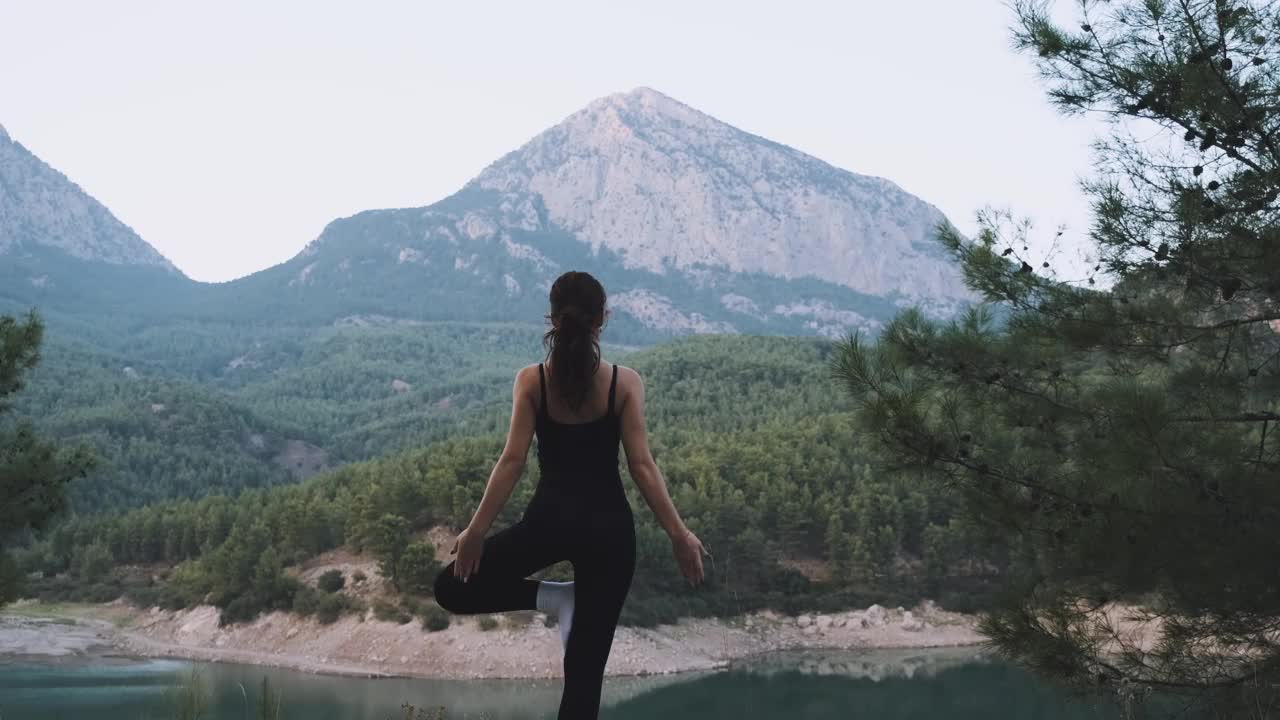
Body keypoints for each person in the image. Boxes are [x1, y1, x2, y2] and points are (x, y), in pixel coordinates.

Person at [433, 270, 709, 720]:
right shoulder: (625, 382)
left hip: (548, 526)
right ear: (604, 319)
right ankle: (562, 598)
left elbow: (512, 462)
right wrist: (679, 534)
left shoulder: (531, 381)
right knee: (583, 684)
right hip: (610, 538)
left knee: (452, 589)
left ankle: (555, 599)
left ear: (552, 317)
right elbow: (641, 466)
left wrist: (475, 532)